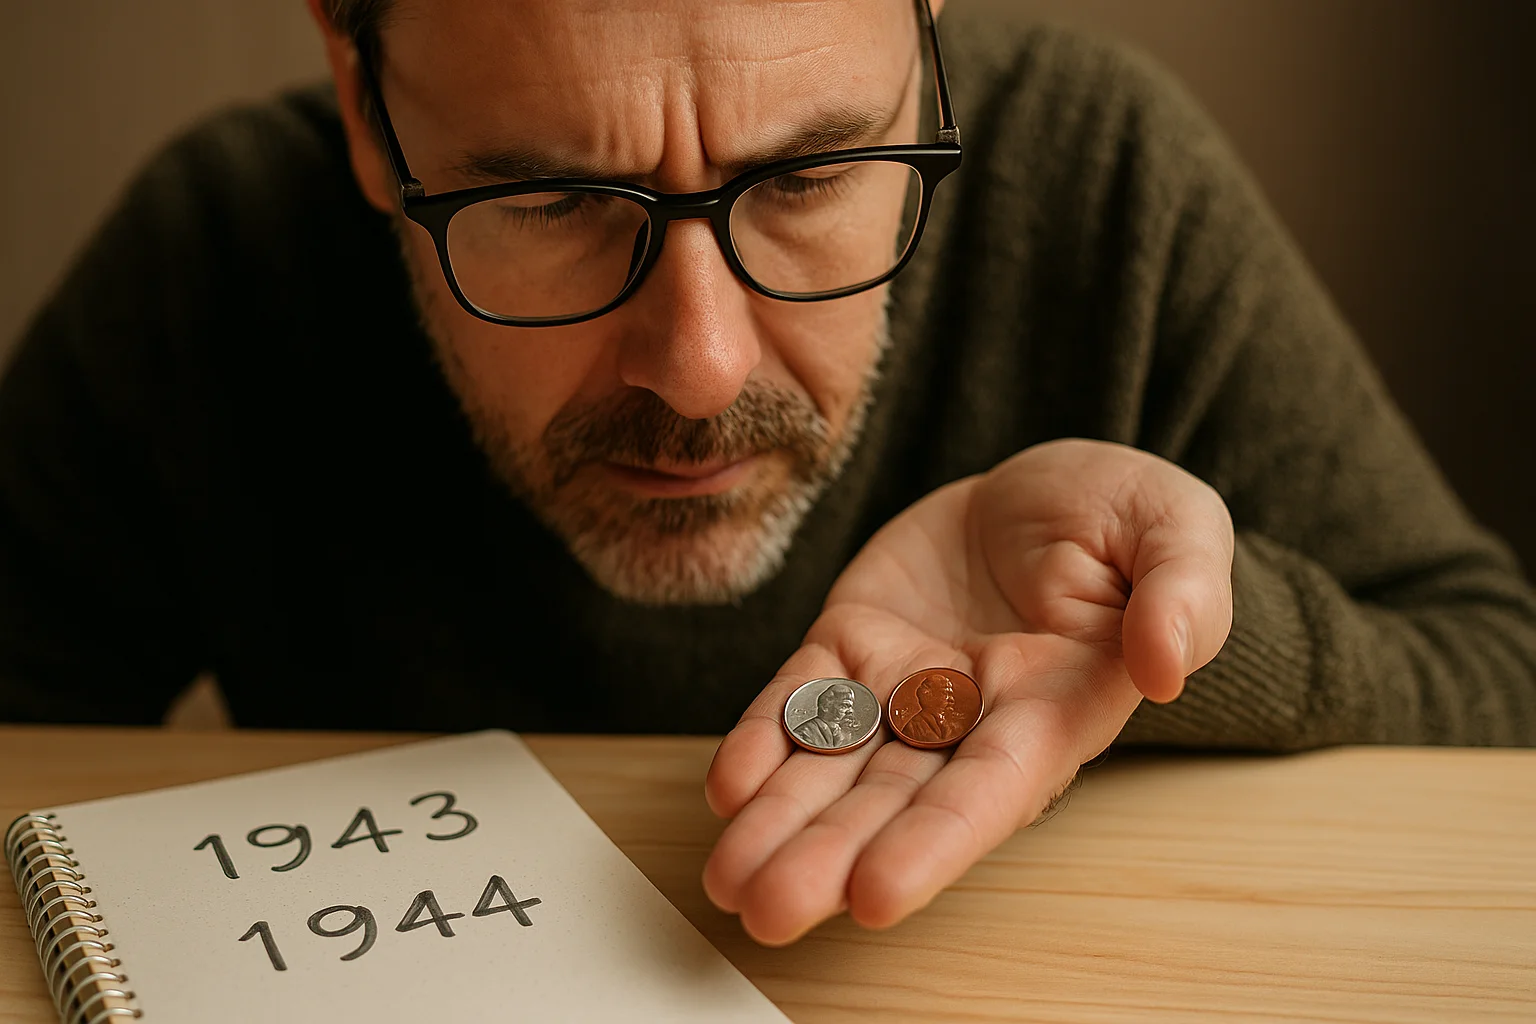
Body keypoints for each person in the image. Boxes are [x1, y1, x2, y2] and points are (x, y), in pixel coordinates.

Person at [1, 0, 1533, 949]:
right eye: (552, 200)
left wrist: (1182, 632)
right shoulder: (213, 259)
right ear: (360, 89)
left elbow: (1501, 680)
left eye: (805, 179)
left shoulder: (1109, 170)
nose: (703, 366)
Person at [791, 683, 862, 749]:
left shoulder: (845, 732)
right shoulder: (804, 733)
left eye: (850, 707)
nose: (850, 711)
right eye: (843, 706)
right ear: (825, 706)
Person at [900, 673, 958, 745]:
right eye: (944, 693)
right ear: (928, 695)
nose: (951, 699)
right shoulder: (913, 727)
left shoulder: (954, 724)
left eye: (950, 694)